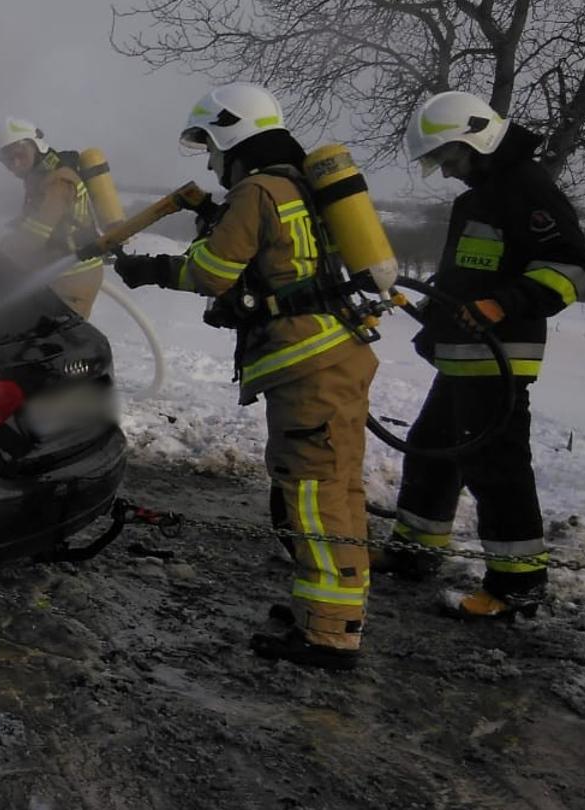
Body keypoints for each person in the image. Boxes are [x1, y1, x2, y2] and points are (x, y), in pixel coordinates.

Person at [113, 84, 379, 670]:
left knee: (312, 492)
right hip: (339, 354)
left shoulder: (257, 190)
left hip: (308, 364)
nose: (212, 162)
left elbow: (211, 273)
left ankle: (328, 634)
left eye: (212, 146)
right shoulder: (297, 184)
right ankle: (331, 611)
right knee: (340, 487)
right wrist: (214, 218)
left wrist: (148, 268)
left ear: (233, 136)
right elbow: (280, 257)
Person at [374, 91, 585, 620]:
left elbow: (572, 265)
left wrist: (503, 304)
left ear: (474, 140)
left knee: (495, 466)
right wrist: (437, 310)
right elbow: (474, 271)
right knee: (431, 447)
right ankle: (415, 551)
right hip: (466, 355)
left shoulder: (524, 187)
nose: (448, 171)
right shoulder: (485, 194)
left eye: (448, 158)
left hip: (498, 357)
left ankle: (517, 585)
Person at [0, 116, 105, 317]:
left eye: (20, 154)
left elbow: (36, 235)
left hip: (72, 280)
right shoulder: (39, 178)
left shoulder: (58, 181)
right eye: (8, 159)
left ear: (36, 145)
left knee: (58, 335)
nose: (15, 164)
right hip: (59, 275)